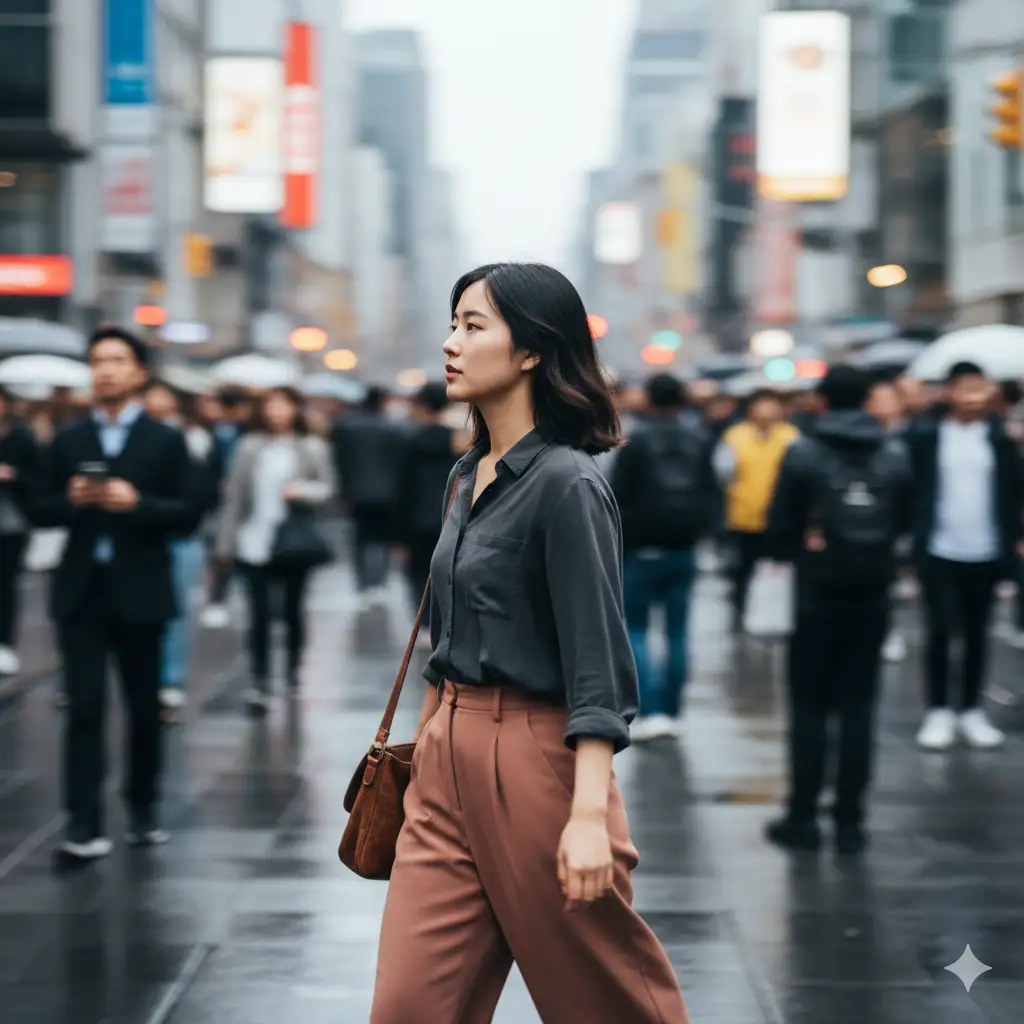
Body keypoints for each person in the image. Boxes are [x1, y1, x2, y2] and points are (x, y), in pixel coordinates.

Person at [371, 263, 687, 1024]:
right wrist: (430, 745)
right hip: (443, 755)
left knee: (605, 1003)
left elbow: (598, 663)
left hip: (536, 762)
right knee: (410, 1007)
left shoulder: (567, 484)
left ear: (531, 353)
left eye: (473, 326)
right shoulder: (464, 474)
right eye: (453, 322)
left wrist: (587, 818)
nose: (450, 342)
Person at [33, 327, 198, 860]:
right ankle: (82, 822)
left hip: (141, 591)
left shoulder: (165, 439)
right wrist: (70, 499)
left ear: (138, 373)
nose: (105, 370)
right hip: (81, 591)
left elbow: (190, 513)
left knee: (143, 709)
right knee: (83, 708)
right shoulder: (68, 439)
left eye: (117, 360)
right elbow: (38, 507)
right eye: (98, 360)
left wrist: (137, 503)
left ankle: (143, 808)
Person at [764, 367, 912, 855]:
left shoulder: (802, 452)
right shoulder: (893, 452)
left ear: (822, 402)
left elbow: (777, 528)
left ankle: (802, 816)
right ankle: (850, 821)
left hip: (815, 594)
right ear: (869, 399)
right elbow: (907, 522)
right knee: (859, 706)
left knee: (808, 705)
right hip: (872, 591)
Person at [908, 361, 1022, 751]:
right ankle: (938, 709)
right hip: (939, 548)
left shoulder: (1002, 437)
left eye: (981, 389)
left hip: (987, 549)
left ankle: (971, 709)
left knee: (978, 632)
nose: (975, 397)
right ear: (950, 392)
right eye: (967, 389)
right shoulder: (925, 434)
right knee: (940, 630)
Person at [215, 387, 336, 714]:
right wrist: (225, 544)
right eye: (271, 406)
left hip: (293, 543)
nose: (277, 412)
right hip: (254, 541)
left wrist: (302, 491)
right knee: (258, 614)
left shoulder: (312, 447)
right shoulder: (249, 447)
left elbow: (329, 491)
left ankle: (293, 674)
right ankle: (260, 680)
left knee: (293, 611)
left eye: (284, 406)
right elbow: (234, 496)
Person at [610, 373, 714, 740]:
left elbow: (617, 496)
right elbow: (713, 491)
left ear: (649, 400)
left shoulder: (636, 442)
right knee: (677, 631)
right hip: (683, 547)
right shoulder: (700, 437)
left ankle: (651, 710)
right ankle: (673, 710)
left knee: (635, 628)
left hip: (640, 550)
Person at [143, 382, 219, 722]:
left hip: (182, 537)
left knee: (175, 611)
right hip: (142, 539)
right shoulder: (128, 435)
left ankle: (169, 679)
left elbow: (201, 491)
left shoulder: (193, 438)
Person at [714, 389, 800, 632]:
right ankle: (741, 614)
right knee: (742, 571)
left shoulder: (791, 437)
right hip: (743, 518)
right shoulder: (735, 436)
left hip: (781, 518)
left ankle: (778, 619)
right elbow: (723, 473)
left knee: (780, 572)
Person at [331, 386, 408, 609]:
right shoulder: (393, 428)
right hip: (388, 493)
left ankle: (362, 584)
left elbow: (339, 462)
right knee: (382, 539)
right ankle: (379, 582)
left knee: (359, 539)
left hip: (356, 492)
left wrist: (343, 491)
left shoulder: (346, 427)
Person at [396, 382, 464, 625]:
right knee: (448, 571)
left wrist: (398, 532)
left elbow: (403, 486)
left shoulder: (410, 440)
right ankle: (446, 621)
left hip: (417, 518)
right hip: (452, 515)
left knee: (418, 574)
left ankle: (424, 623)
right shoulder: (461, 441)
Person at [0, 385, 43, 675]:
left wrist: (13, 474)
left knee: (5, 584)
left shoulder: (23, 437)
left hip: (11, 523)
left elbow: (40, 479)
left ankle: (4, 642)